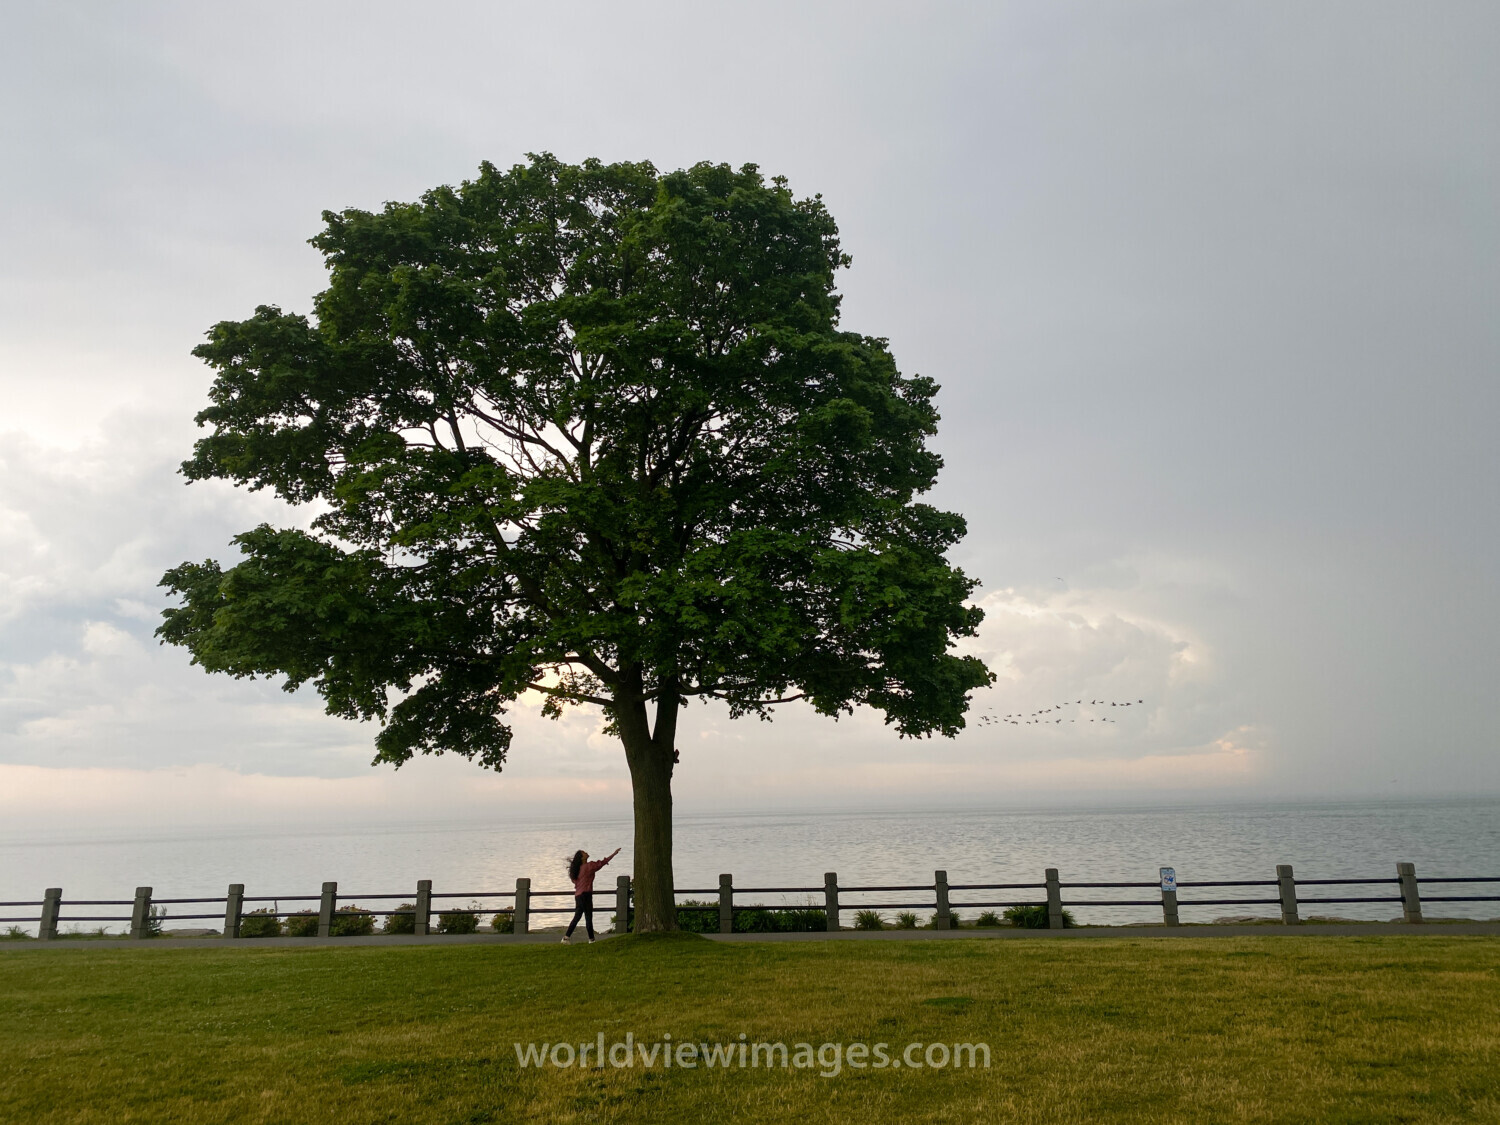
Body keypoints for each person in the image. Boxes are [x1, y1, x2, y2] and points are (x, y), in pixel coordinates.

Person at [562, 846, 620, 943]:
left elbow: (575, 882)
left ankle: (566, 938)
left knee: (577, 917)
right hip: (586, 895)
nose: (586, 852)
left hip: (578, 896)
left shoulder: (576, 870)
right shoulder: (589, 866)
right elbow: (601, 863)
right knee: (588, 917)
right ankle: (591, 939)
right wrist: (613, 854)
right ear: (582, 857)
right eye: (584, 852)